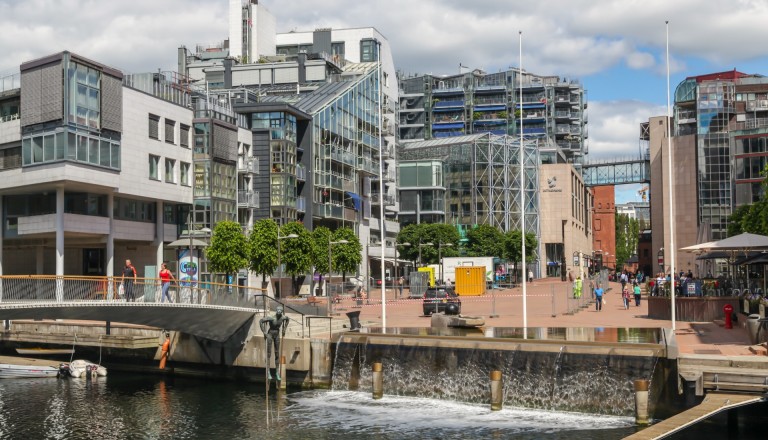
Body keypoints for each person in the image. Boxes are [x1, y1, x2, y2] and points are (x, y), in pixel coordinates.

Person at [259, 306, 289, 381]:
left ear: (281, 312)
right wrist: (264, 333)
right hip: (270, 334)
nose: (279, 311)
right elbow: (261, 321)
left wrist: (284, 329)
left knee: (277, 353)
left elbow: (288, 319)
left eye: (280, 311)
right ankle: (268, 372)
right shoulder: (271, 318)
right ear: (276, 311)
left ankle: (277, 372)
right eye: (278, 310)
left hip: (277, 334)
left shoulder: (283, 317)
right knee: (269, 353)